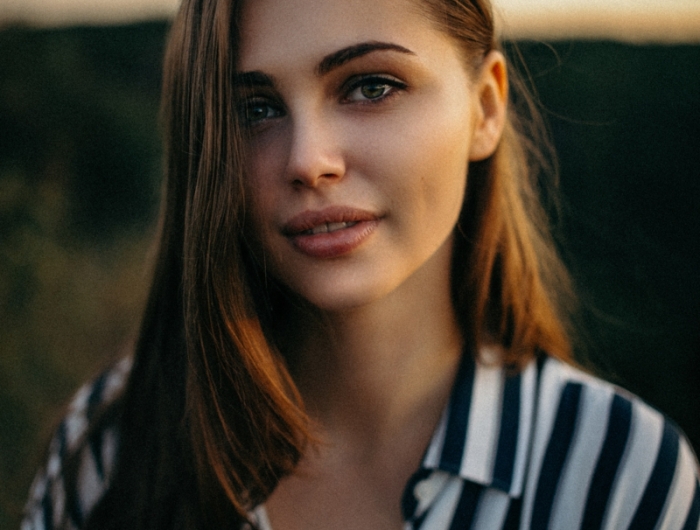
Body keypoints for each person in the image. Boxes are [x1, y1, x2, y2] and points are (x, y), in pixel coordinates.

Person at [22, 0, 700, 528]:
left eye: (370, 87)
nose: (308, 160)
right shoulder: (113, 448)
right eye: (254, 108)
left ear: (486, 106)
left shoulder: (617, 472)